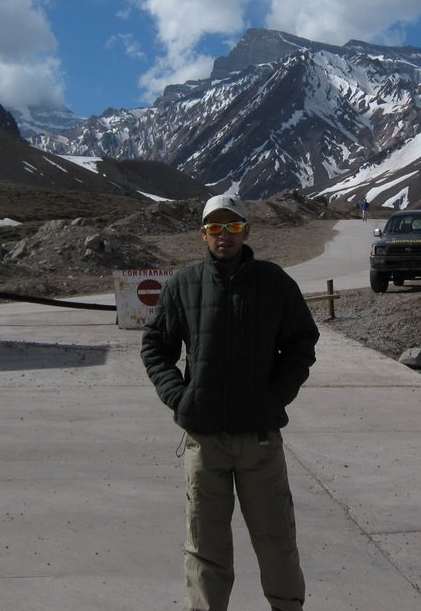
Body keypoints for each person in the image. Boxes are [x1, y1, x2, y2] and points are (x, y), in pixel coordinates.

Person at [141, 194, 319, 611]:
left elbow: (301, 342)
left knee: (276, 540)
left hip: (259, 439)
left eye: (233, 226)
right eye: (216, 227)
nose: (225, 235)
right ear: (202, 234)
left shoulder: (275, 283)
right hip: (205, 441)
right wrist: (179, 398)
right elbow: (155, 346)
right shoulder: (183, 285)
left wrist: (275, 395)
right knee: (205, 544)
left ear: (247, 231)